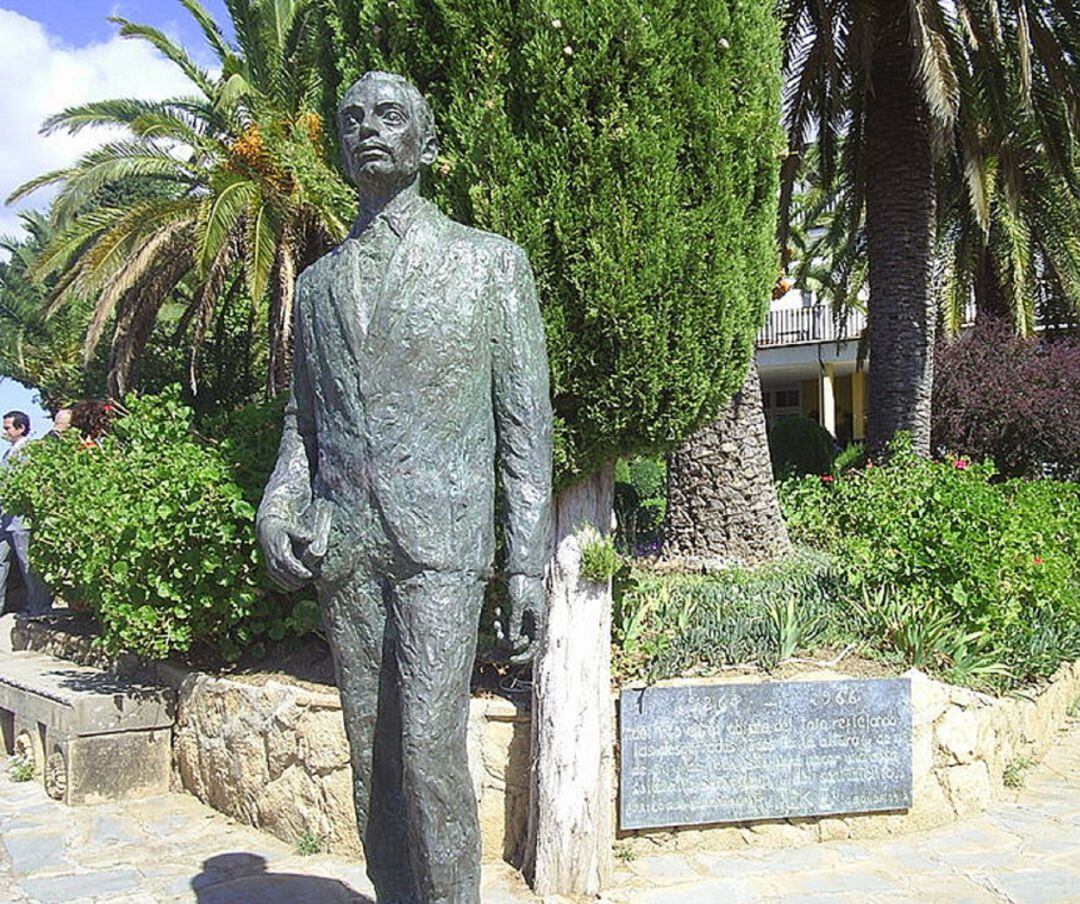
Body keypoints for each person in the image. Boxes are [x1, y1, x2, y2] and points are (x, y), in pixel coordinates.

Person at [257, 72, 553, 904]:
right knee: (370, 757)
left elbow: (525, 427)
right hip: (346, 545)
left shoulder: (488, 264)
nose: (367, 130)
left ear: (425, 139)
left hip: (441, 545)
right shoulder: (315, 287)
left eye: (389, 116)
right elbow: (302, 427)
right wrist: (277, 508)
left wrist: (525, 567)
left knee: (427, 749)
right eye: (352, 120)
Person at [0, 410, 52, 616]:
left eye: (8, 428)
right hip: (5, 520)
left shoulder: (31, 451)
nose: (4, 431)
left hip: (21, 520)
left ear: (21, 428)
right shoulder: (8, 453)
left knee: (28, 566)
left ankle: (39, 608)